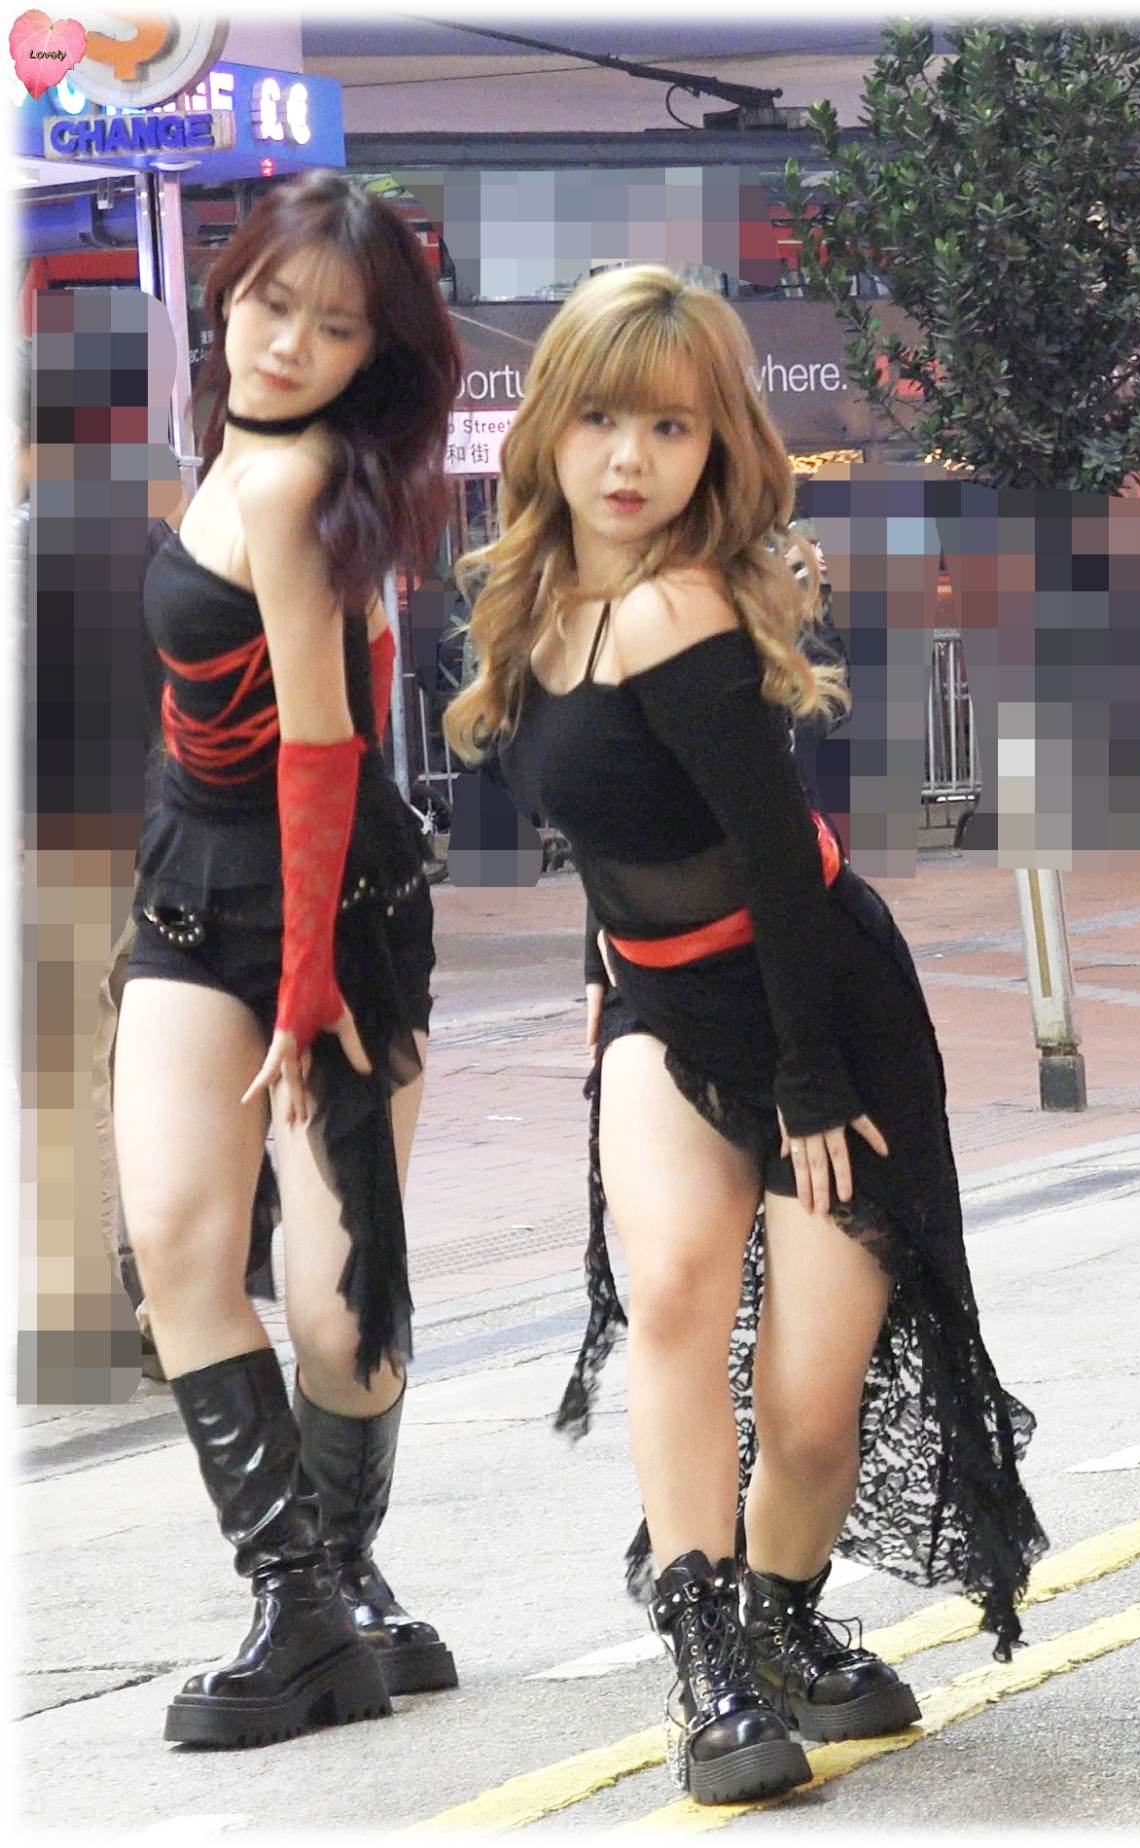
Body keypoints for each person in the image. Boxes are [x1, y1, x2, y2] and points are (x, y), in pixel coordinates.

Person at [444, 264, 1044, 1805]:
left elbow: (777, 858)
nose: (631, 458)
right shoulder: (531, 607)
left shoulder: (678, 607)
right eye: (603, 419)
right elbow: (614, 825)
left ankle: (780, 1617)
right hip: (663, 1008)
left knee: (809, 1412)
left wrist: (808, 1083)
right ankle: (711, 1668)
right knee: (671, 1302)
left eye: (672, 427)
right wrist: (606, 975)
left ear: (717, 447)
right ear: (548, 425)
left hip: (817, 1012)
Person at [109, 173, 461, 1747]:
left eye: (334, 328)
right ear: (229, 291)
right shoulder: (238, 451)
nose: (289, 343)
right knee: (179, 1249)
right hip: (193, 894)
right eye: (271, 304)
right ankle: (303, 1604)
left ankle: (345, 1575)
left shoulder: (298, 483)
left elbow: (324, 752)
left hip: (332, 916)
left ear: (374, 354)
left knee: (335, 1311)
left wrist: (311, 981)